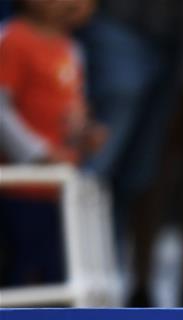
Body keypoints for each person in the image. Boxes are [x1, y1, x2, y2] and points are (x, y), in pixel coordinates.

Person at [0, 0, 106, 286]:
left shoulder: (70, 47)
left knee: (58, 276)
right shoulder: (13, 40)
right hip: (19, 188)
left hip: (60, 188)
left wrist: (84, 134)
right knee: (21, 276)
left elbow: (72, 111)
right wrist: (37, 153)